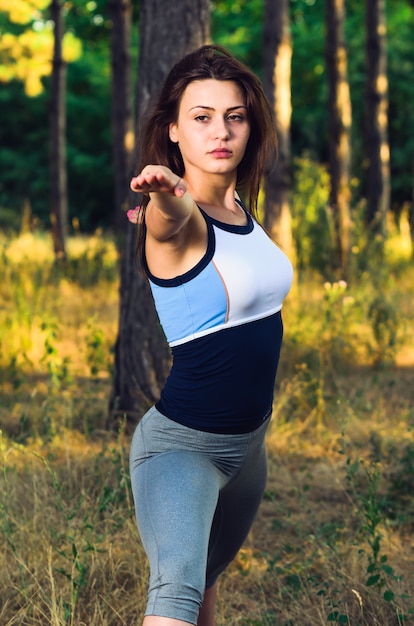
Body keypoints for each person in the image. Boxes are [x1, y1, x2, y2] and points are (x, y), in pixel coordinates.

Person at [127, 44, 293, 626]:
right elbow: (174, 216)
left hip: (249, 448)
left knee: (206, 585)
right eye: (201, 117)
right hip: (183, 449)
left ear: (250, 125)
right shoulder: (177, 221)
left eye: (235, 116)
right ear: (173, 129)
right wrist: (164, 192)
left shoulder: (241, 209)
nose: (219, 131)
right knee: (175, 595)